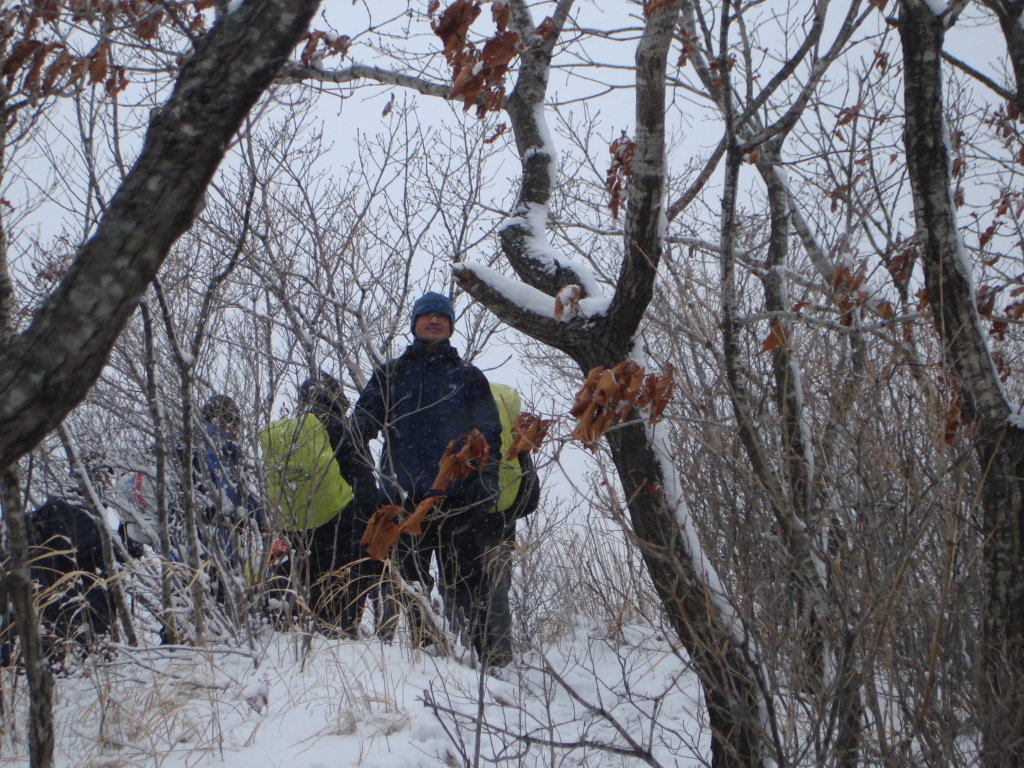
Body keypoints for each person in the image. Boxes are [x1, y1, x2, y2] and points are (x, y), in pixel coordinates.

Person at [352, 291, 505, 663]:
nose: (434, 320)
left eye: (442, 316)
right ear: (415, 324)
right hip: (402, 502)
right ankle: (417, 663)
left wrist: (485, 484)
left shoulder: (468, 377)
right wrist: (366, 487)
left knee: (467, 587)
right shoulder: (390, 374)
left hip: (456, 501)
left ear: (450, 325)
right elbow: (358, 431)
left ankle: (480, 663)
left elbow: (491, 436)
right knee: (408, 587)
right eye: (427, 316)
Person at [261, 373, 378, 636]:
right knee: (343, 592)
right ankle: (341, 638)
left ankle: (305, 637)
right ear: (339, 400)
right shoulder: (342, 430)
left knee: (311, 586)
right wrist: (372, 519)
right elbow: (363, 483)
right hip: (343, 527)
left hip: (299, 528)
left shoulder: (291, 433)